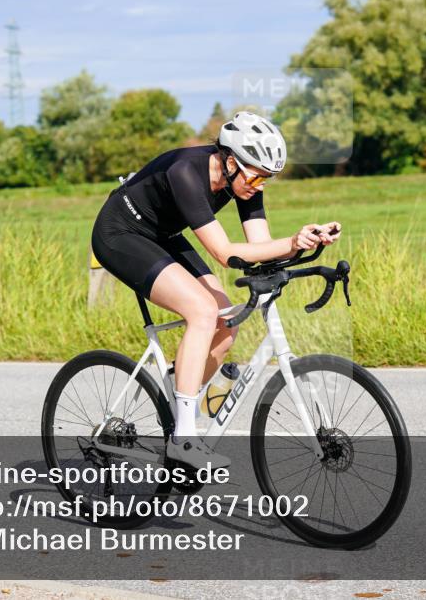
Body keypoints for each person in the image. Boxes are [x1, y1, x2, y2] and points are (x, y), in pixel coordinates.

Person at [91, 111, 341, 470]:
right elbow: (227, 255)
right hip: (120, 233)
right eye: (256, 177)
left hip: (163, 235)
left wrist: (303, 243)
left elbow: (260, 246)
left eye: (266, 180)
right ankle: (184, 438)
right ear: (229, 161)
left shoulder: (244, 180)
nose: (258, 187)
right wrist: (291, 242)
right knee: (202, 311)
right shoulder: (186, 173)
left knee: (226, 317)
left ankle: (180, 408)